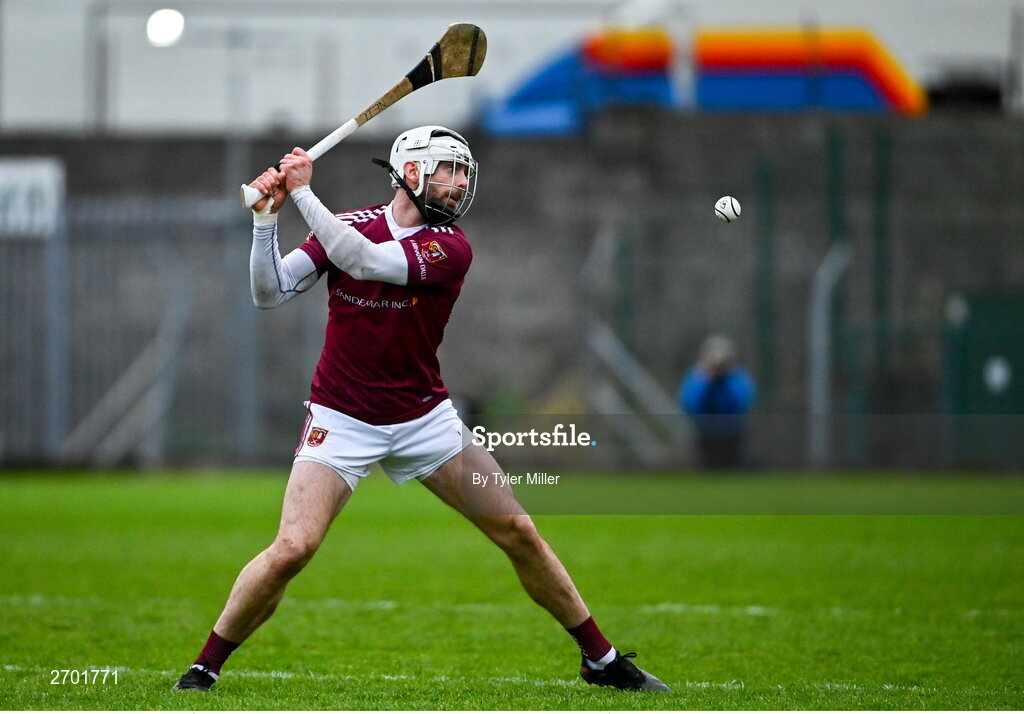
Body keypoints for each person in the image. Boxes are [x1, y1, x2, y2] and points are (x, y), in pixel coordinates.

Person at [172, 126, 668, 693]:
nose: (459, 186)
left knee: (518, 532)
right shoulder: (349, 225)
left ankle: (600, 660)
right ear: (410, 172)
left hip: (423, 420)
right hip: (341, 416)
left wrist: (305, 193)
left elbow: (362, 261)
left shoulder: (449, 246)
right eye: (447, 171)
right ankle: (204, 668)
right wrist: (266, 221)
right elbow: (271, 291)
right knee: (292, 549)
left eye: (463, 174)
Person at [679, 335, 756, 470]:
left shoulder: (738, 376)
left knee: (731, 467)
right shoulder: (697, 376)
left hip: (732, 431)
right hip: (705, 431)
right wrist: (709, 382)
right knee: (708, 467)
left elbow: (742, 402)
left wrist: (723, 382)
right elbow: (691, 403)